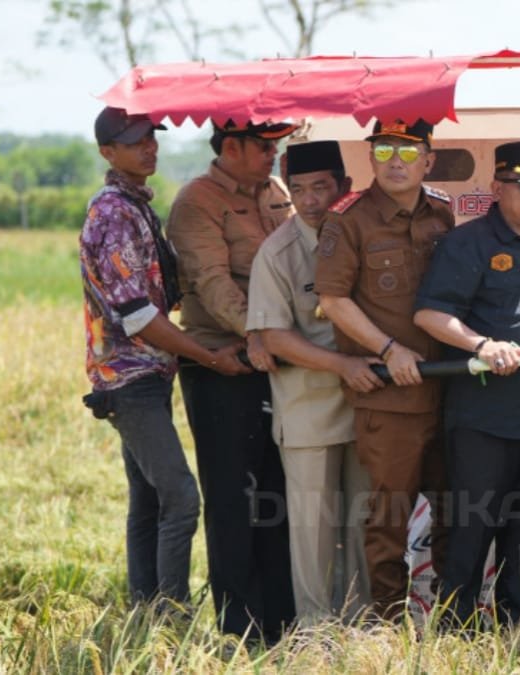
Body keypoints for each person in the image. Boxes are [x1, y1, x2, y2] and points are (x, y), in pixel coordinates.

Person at [79, 106, 248, 609]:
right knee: (180, 498)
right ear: (108, 153)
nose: (149, 148)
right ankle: (172, 615)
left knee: (149, 501)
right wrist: (209, 356)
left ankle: (145, 612)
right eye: (135, 142)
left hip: (146, 372)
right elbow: (137, 317)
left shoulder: (136, 205)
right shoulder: (114, 214)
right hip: (130, 377)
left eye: (151, 138)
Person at [414, 140, 520, 626]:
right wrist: (482, 346)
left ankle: (512, 638)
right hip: (485, 425)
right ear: (497, 187)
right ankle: (453, 640)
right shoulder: (468, 243)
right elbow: (430, 315)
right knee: (468, 541)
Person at [313, 118, 453, 621]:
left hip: (449, 389)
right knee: (391, 517)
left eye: (409, 152)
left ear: (428, 161)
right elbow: (333, 299)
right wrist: (389, 349)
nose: (396, 162)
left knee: (455, 510)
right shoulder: (348, 220)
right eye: (385, 150)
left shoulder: (443, 212)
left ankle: (450, 619)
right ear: (370, 158)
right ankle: (390, 625)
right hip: (391, 398)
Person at [166, 119, 298, 642]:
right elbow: (212, 281)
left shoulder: (277, 190)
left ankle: (282, 622)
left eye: (276, 145)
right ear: (231, 147)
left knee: (277, 493)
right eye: (264, 146)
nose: (273, 153)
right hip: (222, 362)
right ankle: (238, 629)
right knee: (232, 500)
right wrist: (260, 334)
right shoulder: (197, 201)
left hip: (278, 358)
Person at [247, 139, 380, 623]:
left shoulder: (366, 234)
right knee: (313, 532)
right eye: (298, 189)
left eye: (320, 187)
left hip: (367, 405)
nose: (308, 201)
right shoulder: (278, 252)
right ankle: (316, 632)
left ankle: (362, 626)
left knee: (364, 523)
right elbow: (274, 337)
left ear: (344, 186)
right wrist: (343, 365)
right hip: (308, 408)